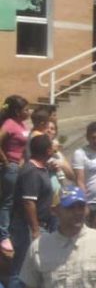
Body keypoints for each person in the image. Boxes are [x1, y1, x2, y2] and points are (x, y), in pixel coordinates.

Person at [5, 133, 54, 288]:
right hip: (27, 226)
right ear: (47, 150)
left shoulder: (41, 169)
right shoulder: (31, 172)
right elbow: (28, 202)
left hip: (39, 224)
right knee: (22, 266)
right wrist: (35, 230)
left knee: (35, 268)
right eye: (52, 146)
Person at [0, 94, 30, 256]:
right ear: (18, 111)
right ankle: (3, 235)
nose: (29, 112)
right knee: (8, 202)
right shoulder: (9, 124)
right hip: (11, 167)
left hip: (20, 167)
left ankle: (11, 230)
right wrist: (6, 161)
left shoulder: (21, 124)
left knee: (17, 201)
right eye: (26, 109)